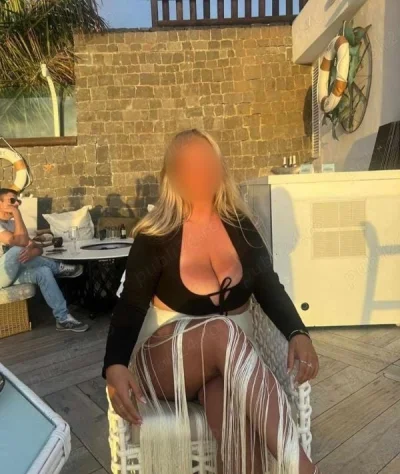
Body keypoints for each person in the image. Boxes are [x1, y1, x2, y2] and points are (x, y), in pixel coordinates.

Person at [103, 130, 320, 474]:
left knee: (238, 431)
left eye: (207, 162)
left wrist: (298, 331)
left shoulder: (241, 227)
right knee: (220, 329)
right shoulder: (156, 235)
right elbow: (130, 307)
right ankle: (302, 467)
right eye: (189, 166)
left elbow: (269, 287)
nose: (200, 172)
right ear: (171, 176)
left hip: (227, 368)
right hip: (166, 364)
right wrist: (114, 364)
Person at [0, 188, 88, 332]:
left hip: (14, 273)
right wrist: (17, 213)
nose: (16, 204)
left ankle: (63, 318)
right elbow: (21, 243)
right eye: (12, 201)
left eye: (18, 201)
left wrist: (30, 253)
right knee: (17, 250)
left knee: (44, 271)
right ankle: (59, 268)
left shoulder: (13, 225)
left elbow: (38, 248)